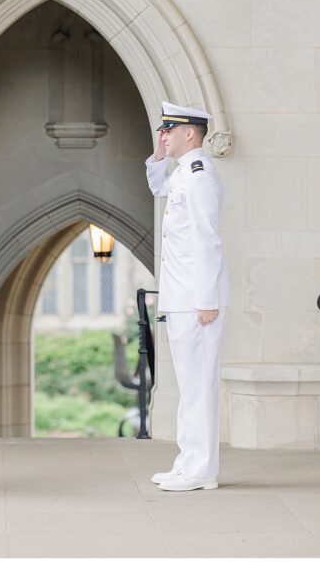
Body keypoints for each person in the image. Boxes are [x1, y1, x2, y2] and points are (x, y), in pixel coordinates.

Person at [145, 101, 229, 492]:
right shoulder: (181, 174)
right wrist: (158, 158)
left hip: (197, 301)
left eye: (170, 130)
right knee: (187, 386)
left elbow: (208, 241)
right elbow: (159, 187)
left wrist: (208, 299)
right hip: (181, 297)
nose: (163, 135)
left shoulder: (199, 176)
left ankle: (202, 471)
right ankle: (187, 462)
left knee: (199, 386)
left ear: (190, 133)